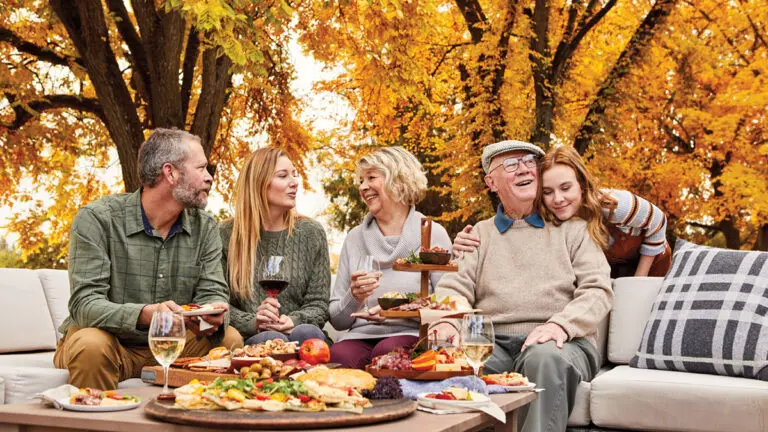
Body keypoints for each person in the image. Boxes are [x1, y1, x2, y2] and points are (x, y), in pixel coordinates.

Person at [435, 140, 612, 432]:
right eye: (511, 164)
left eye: (529, 161)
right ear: (491, 182)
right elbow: (454, 286)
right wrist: (449, 323)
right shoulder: (478, 234)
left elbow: (597, 290)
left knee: (543, 358)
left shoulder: (574, 230)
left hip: (561, 342)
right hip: (493, 342)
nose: (523, 169)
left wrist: (560, 325)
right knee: (449, 363)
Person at [54, 128, 244, 390]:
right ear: (171, 172)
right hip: (111, 342)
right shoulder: (97, 219)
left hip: (175, 343)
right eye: (201, 168)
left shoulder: (206, 227)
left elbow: (213, 293)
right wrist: (146, 315)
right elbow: (85, 305)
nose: (209, 177)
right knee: (91, 346)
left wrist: (210, 317)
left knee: (230, 340)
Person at [454, 146, 671, 278]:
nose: (558, 199)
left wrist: (639, 279)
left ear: (581, 184)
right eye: (548, 191)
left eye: (566, 188)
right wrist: (467, 240)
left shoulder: (615, 204)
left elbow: (658, 222)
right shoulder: (548, 213)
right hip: (609, 267)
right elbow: (512, 226)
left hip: (650, 260)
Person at [329, 147, 452, 369]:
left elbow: (449, 306)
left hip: (413, 333)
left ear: (399, 180)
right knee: (338, 357)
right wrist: (353, 296)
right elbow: (338, 321)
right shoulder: (354, 239)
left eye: (371, 177)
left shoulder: (432, 234)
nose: (362, 186)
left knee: (388, 353)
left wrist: (399, 310)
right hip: (360, 335)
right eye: (361, 180)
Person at [220, 148, 330, 346]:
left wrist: (293, 321)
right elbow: (218, 304)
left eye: (294, 175)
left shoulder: (311, 232)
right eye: (283, 176)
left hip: (302, 336)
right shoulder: (226, 234)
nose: (294, 182)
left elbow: (318, 304)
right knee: (272, 339)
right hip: (250, 339)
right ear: (259, 183)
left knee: (307, 333)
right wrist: (255, 321)